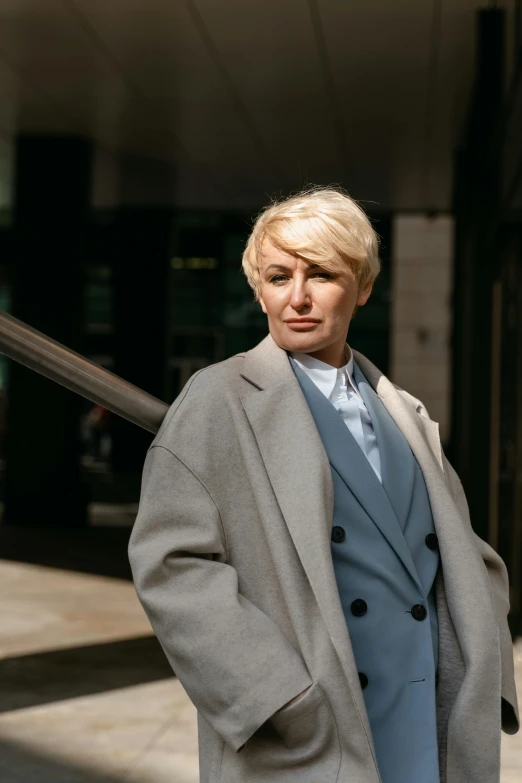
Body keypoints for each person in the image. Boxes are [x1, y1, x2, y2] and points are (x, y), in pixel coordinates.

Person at [128, 187, 519, 783]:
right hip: (318, 727)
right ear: (258, 291)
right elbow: (171, 564)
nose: (298, 298)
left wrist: (484, 663)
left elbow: (466, 552)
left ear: (362, 288)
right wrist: (276, 697)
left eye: (322, 274)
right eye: (279, 276)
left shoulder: (403, 411)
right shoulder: (218, 398)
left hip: (426, 714)